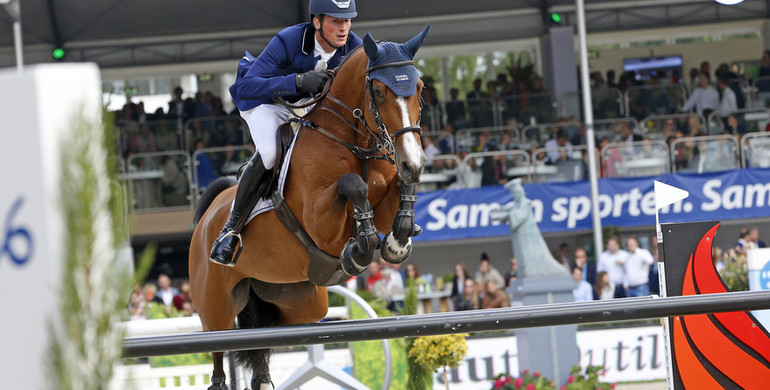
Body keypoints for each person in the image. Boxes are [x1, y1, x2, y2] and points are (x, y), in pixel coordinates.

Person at [210, 0, 362, 266]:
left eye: (348, 21)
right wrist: (298, 81)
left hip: (308, 106)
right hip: (267, 103)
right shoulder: (289, 39)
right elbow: (245, 87)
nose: (344, 29)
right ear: (317, 22)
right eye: (336, 21)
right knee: (270, 153)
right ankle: (230, 230)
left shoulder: (353, 46)